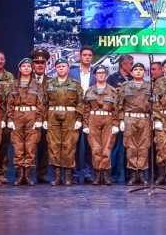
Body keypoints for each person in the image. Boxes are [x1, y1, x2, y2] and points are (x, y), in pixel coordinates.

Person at [43, 58, 83, 186]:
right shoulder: (49, 84)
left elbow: (81, 103)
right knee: (54, 145)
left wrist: (79, 119)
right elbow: (43, 103)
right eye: (58, 66)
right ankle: (57, 176)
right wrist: (44, 119)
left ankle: (67, 176)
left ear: (68, 68)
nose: (61, 68)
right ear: (55, 68)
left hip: (70, 116)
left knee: (68, 145)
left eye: (63, 66)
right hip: (52, 115)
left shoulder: (75, 84)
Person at [6, 58, 45, 186]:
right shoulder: (13, 85)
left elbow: (40, 104)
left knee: (30, 146)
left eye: (28, 66)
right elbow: (9, 103)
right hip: (17, 116)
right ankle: (20, 175)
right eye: (24, 66)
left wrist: (39, 119)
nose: (26, 68)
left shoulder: (37, 85)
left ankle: (27, 175)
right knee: (18, 147)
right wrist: (9, 119)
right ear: (20, 69)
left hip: (31, 116)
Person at [82, 65, 119, 185]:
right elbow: (85, 109)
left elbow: (116, 109)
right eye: (99, 73)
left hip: (108, 119)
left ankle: (106, 176)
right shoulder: (89, 91)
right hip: (93, 119)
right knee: (96, 149)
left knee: (107, 148)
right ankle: (97, 175)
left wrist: (115, 124)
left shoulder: (112, 91)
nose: (101, 74)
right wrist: (85, 125)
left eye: (103, 72)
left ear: (106, 74)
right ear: (95, 75)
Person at [117, 62, 153, 185]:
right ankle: (133, 174)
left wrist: (155, 119)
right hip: (130, 119)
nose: (138, 71)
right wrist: (121, 120)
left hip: (145, 119)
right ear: (131, 73)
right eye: (136, 69)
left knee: (144, 147)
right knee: (131, 147)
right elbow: (119, 105)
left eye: (141, 69)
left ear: (144, 72)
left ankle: (142, 174)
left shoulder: (150, 87)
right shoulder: (125, 86)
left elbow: (156, 105)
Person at [70, 45, 95, 184]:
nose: (87, 57)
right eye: (84, 55)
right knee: (74, 143)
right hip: (75, 112)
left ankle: (87, 173)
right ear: (80, 56)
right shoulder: (72, 73)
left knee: (89, 144)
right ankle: (74, 173)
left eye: (89, 55)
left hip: (91, 113)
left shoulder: (96, 73)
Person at [107, 53, 134, 182]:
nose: (132, 66)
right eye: (131, 64)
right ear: (123, 64)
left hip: (130, 117)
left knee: (129, 147)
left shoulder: (132, 78)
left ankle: (129, 176)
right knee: (115, 148)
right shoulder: (112, 78)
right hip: (116, 117)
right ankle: (113, 175)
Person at [0, 51, 15, 184]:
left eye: (1, 59)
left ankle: (0, 172)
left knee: (3, 146)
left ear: (4, 61)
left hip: (5, 116)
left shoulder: (9, 77)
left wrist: (8, 118)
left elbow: (12, 98)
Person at [30, 48, 51, 183]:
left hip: (45, 119)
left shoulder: (51, 81)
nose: (39, 65)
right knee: (27, 147)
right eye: (37, 63)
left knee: (44, 148)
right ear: (32, 64)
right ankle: (25, 174)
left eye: (42, 63)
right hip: (29, 118)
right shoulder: (25, 79)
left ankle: (41, 174)